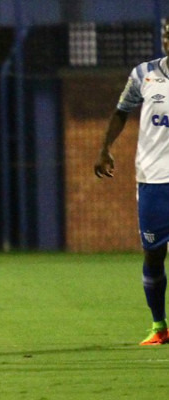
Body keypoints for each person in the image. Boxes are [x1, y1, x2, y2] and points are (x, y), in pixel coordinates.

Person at [94, 20, 169, 346]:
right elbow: (121, 111)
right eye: (167, 34)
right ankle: (159, 325)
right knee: (154, 254)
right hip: (152, 181)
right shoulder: (144, 74)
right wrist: (105, 148)